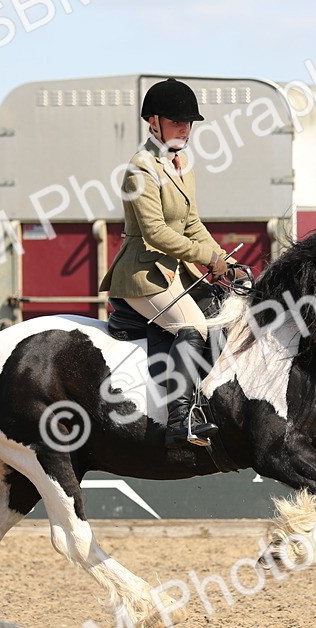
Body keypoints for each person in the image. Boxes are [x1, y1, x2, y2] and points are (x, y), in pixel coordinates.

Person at [99, 78, 241, 448]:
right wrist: (206, 257)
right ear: (153, 121)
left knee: (223, 312)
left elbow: (192, 223)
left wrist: (224, 259)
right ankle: (181, 417)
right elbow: (156, 233)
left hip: (173, 272)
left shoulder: (182, 164)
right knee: (192, 325)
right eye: (176, 121)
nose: (184, 128)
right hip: (143, 274)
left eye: (188, 122)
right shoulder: (140, 169)